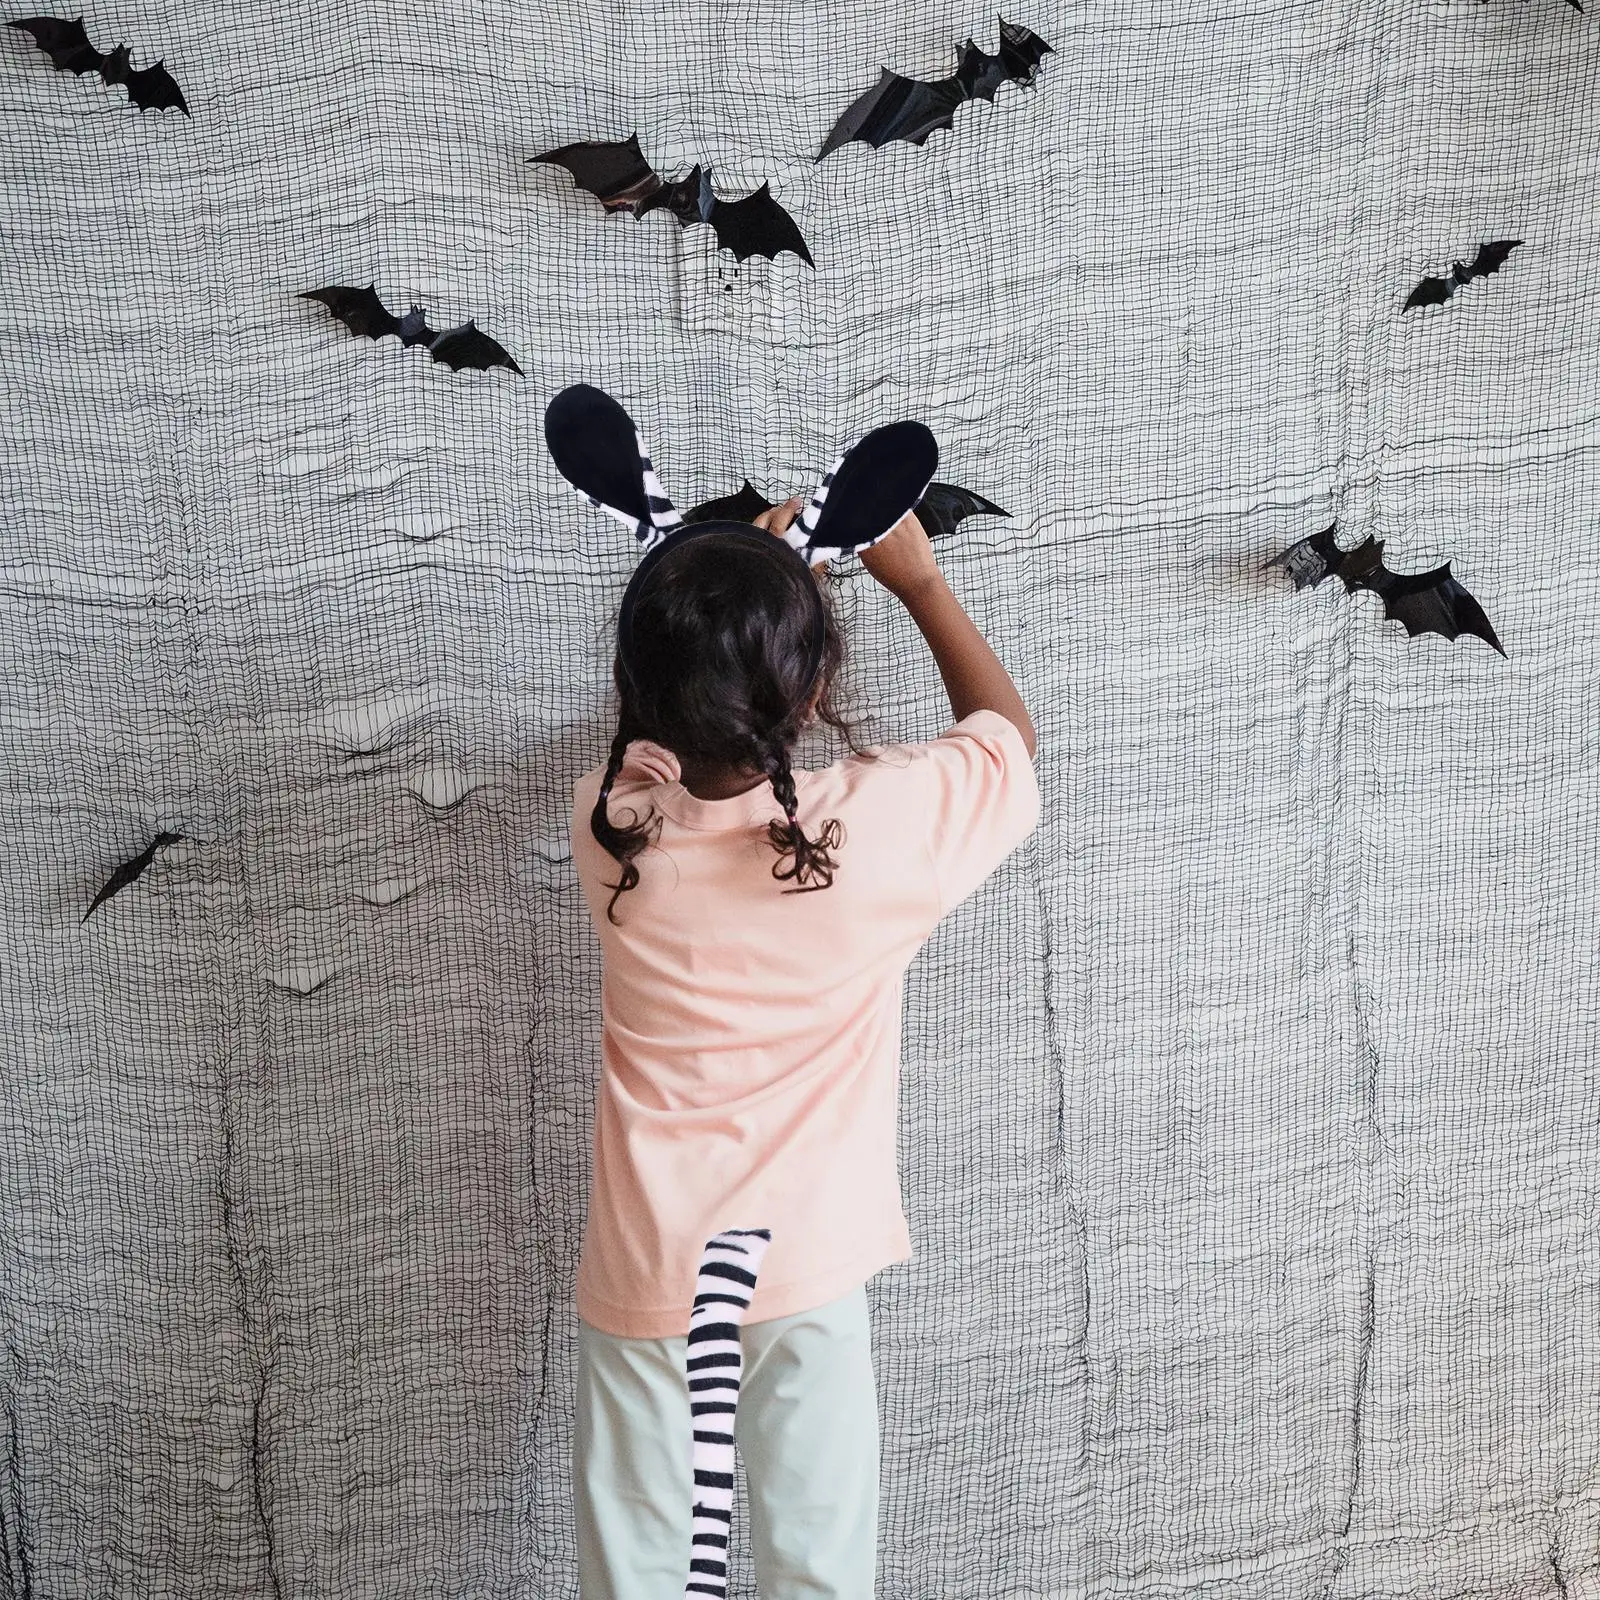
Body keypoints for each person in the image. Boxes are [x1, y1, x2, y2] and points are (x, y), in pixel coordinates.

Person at [566, 489, 1040, 1600]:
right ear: (816, 688)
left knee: (636, 1575)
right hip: (803, 1270)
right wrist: (916, 583)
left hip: (650, 1271)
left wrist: (741, 585)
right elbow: (1006, 745)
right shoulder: (874, 837)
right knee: (815, 1567)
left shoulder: (608, 825)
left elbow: (660, 728)